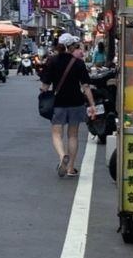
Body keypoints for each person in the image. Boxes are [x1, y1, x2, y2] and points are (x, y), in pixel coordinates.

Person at [40, 34, 97, 178]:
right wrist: (92, 104)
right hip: (76, 102)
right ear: (72, 47)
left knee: (56, 134)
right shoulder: (78, 63)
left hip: (58, 103)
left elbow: (45, 86)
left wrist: (43, 95)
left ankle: (62, 156)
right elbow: (86, 86)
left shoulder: (52, 61)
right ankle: (71, 167)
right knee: (73, 135)